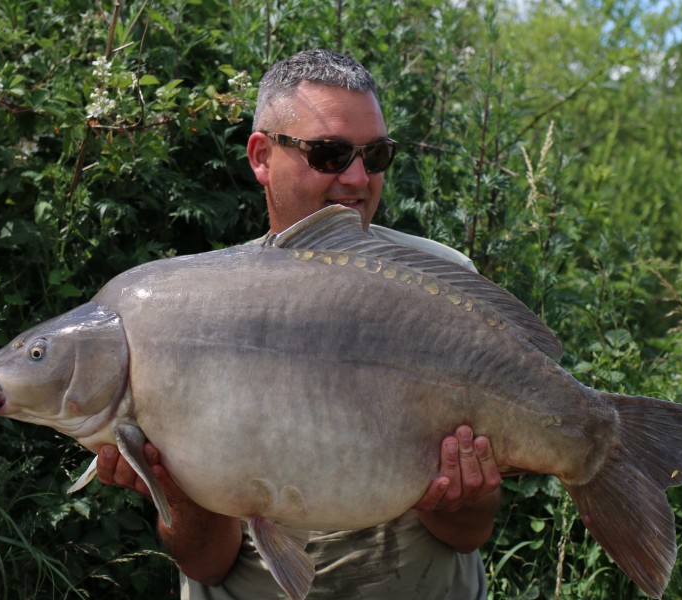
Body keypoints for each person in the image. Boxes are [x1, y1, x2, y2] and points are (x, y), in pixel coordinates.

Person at [96, 49, 503, 599]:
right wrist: (175, 488)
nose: (358, 178)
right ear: (262, 157)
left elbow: (468, 532)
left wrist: (465, 496)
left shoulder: (441, 284)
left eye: (376, 154)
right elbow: (206, 561)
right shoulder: (188, 309)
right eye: (330, 153)